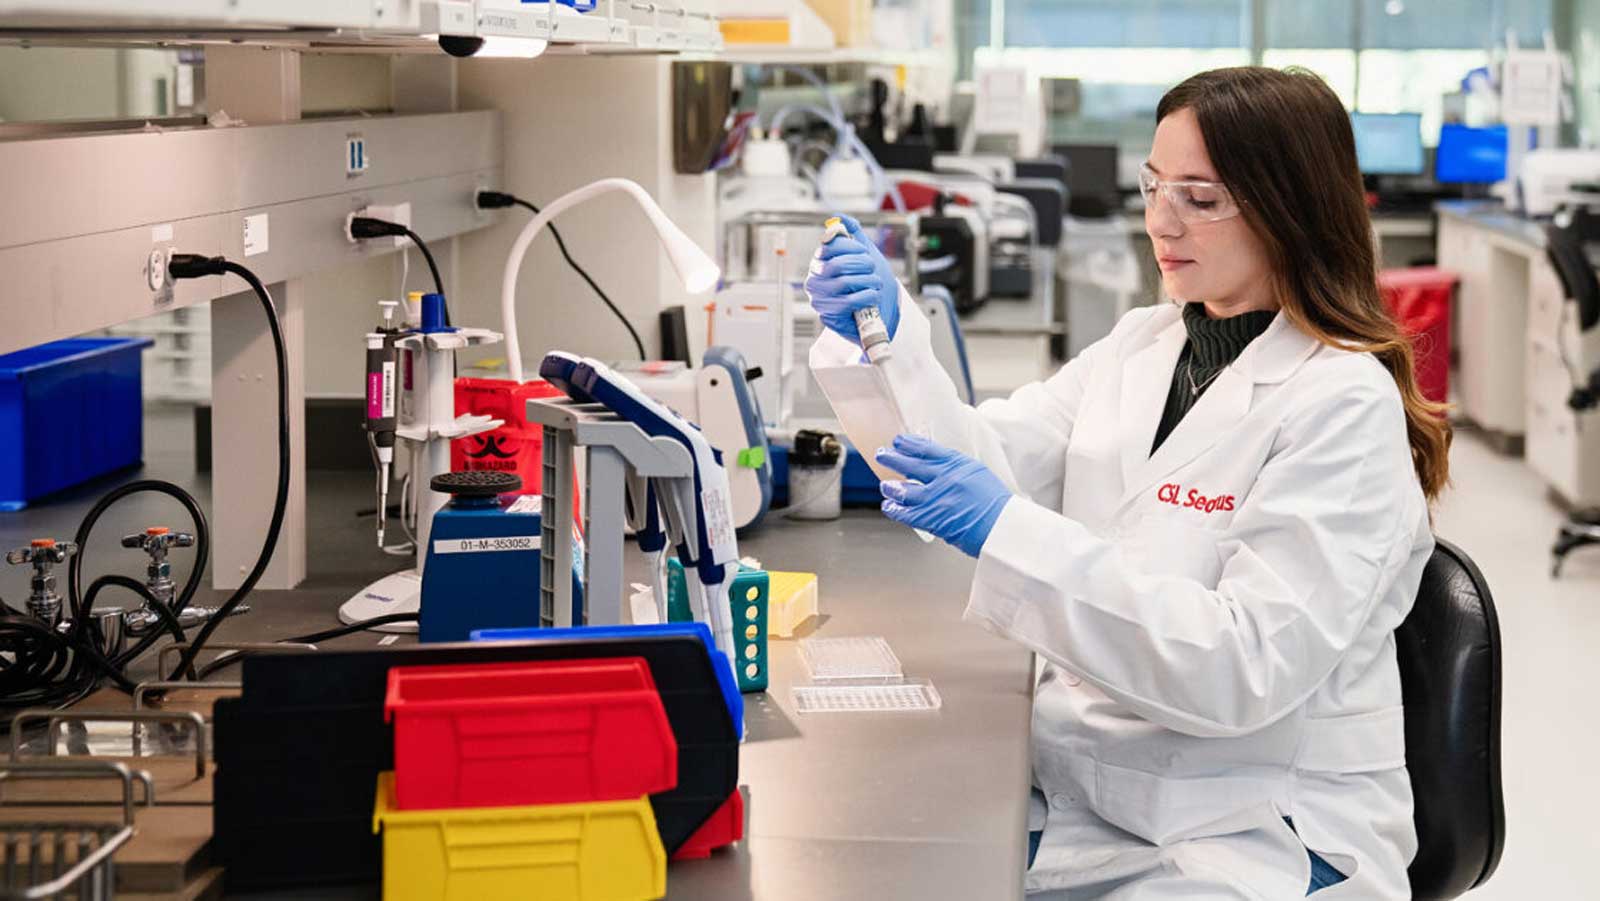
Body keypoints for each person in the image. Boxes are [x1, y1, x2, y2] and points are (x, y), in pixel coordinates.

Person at [806, 67, 1451, 900]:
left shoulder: (1341, 403)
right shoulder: (1143, 345)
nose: (1160, 220)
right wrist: (893, 341)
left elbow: (1241, 665)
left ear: (1287, 210)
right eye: (1153, 186)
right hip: (1100, 790)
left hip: (1254, 830)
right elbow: (977, 465)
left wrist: (1006, 527)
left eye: (1200, 198)